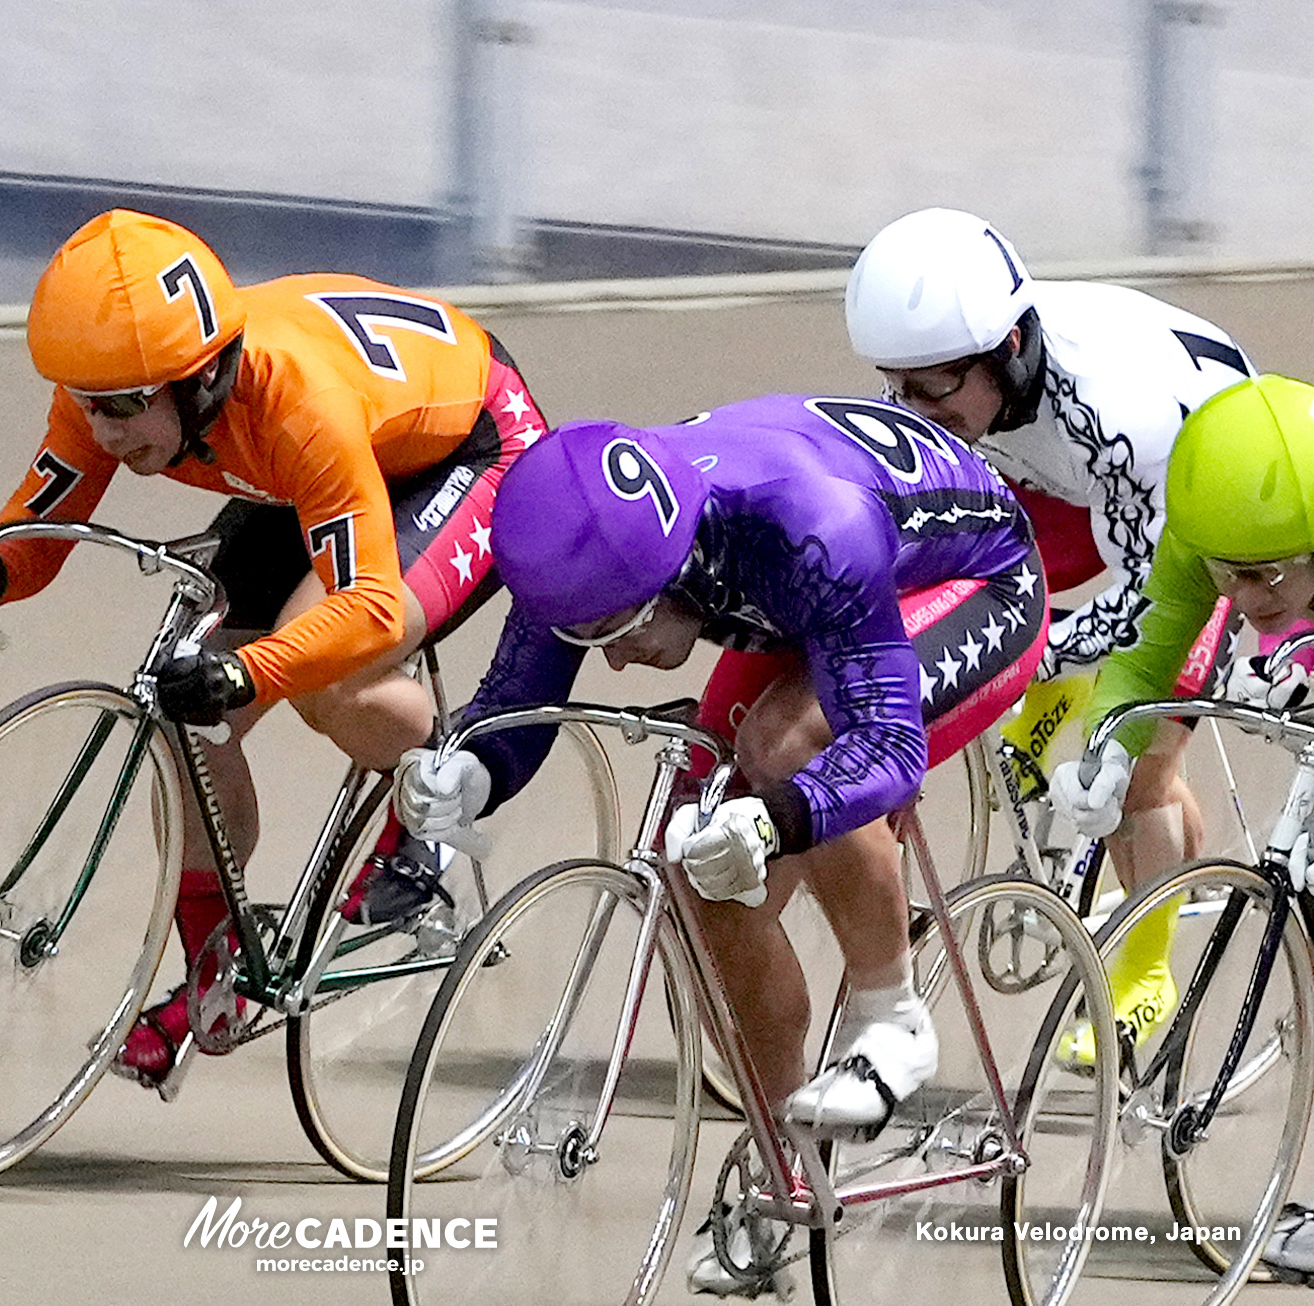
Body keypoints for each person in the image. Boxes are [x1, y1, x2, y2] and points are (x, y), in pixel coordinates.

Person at [393, 395, 1047, 1293]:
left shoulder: (809, 528)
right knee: (696, 868)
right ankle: (786, 1161)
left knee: (790, 748)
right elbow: (526, 679)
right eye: (591, 633)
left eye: (617, 632)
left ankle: (892, 1017)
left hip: (963, 576)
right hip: (800, 599)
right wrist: (474, 766)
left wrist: (780, 815)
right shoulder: (593, 532)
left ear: (670, 575)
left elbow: (888, 744)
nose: (610, 659)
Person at [0, 209, 548, 1088]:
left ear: (201, 378)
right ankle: (214, 973)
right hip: (306, 468)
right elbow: (45, 520)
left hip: (469, 450)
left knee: (331, 678)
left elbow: (364, 609)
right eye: (88, 405)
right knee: (182, 711)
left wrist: (251, 670)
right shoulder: (120, 377)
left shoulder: (294, 401)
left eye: (126, 410)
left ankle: (435, 810)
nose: (104, 434)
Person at [845, 207, 1257, 1065]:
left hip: (1198, 499)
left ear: (1012, 347)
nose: (911, 407)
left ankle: (1144, 976)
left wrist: (1035, 653)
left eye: (934, 387)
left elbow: (1151, 604)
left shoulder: (1114, 412)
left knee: (1130, 755)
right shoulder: (976, 379)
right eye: (898, 382)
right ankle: (1157, 830)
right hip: (1067, 483)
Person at [1043, 375, 1314, 1283]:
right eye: (1223, 573)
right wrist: (1109, 749)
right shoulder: (1207, 532)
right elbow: (1153, 649)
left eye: (1264, 574)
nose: (1237, 596)